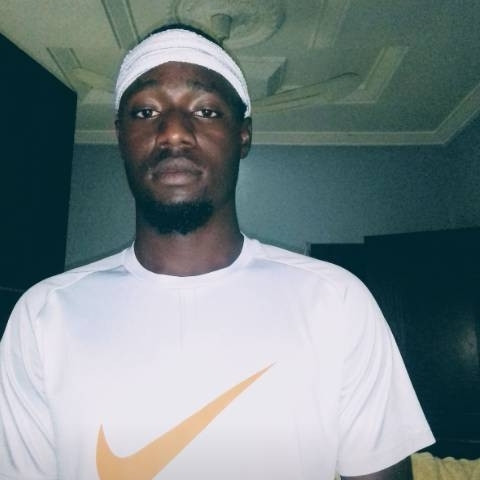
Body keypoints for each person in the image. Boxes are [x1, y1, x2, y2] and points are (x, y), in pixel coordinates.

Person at [0, 24, 434, 480]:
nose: (173, 132)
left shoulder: (337, 301)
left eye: (206, 110)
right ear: (120, 137)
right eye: (146, 112)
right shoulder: (43, 315)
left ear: (243, 136)